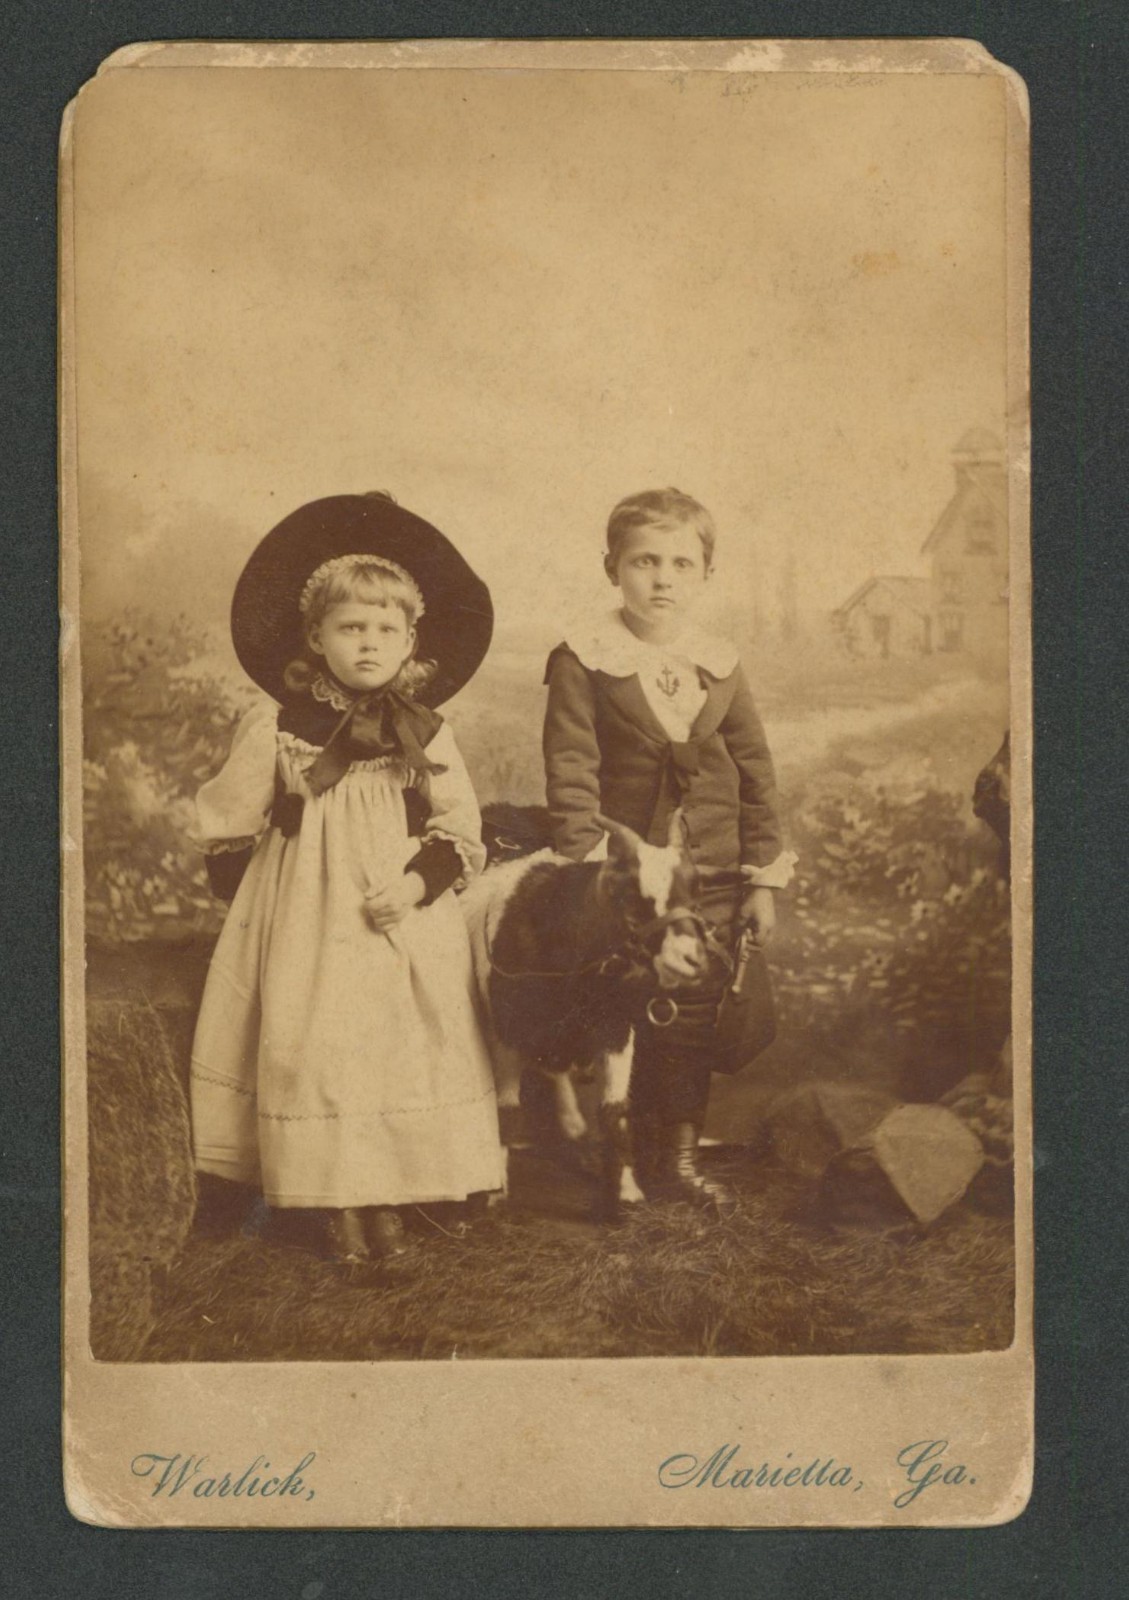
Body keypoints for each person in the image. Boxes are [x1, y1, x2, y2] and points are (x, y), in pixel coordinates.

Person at [189, 492, 505, 1265]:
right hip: (308, 911)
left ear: (410, 642)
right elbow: (229, 819)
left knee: (405, 1039)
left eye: (385, 630)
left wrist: (418, 885)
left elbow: (457, 826)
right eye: (349, 628)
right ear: (315, 638)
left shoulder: (426, 731)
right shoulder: (279, 727)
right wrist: (263, 905)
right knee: (315, 1044)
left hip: (398, 910)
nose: (368, 644)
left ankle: (395, 1195)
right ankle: (333, 1201)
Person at [542, 487, 795, 1207]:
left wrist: (761, 880)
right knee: (620, 1003)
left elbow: (755, 772)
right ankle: (606, 1144)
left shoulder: (718, 663)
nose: (662, 579)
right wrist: (590, 865)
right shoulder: (583, 659)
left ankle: (677, 1157)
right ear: (611, 568)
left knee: (692, 1008)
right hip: (627, 878)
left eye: (682, 563)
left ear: (705, 575)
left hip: (709, 871)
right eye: (643, 561)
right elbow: (570, 766)